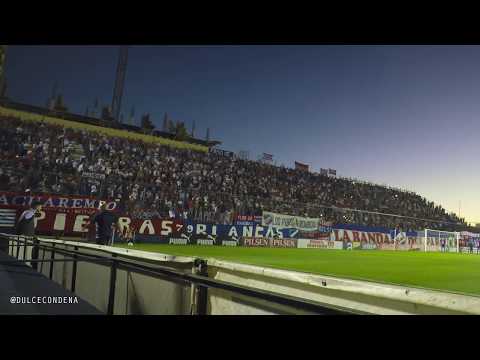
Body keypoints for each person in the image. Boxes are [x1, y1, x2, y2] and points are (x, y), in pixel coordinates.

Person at [15, 200, 43, 270]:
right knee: (27, 251)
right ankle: (25, 266)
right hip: (26, 236)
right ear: (37, 207)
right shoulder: (30, 213)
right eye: (40, 206)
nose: (41, 208)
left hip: (23, 235)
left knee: (22, 252)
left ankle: (22, 265)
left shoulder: (26, 212)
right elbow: (26, 220)